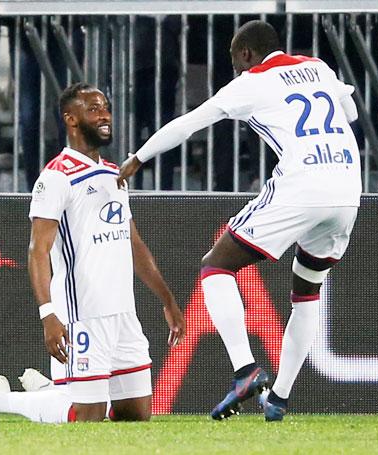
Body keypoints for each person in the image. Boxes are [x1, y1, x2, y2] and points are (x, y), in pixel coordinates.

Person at [118, 20, 361, 422]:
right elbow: (349, 112)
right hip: (348, 189)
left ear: (246, 54)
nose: (236, 70)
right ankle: (279, 399)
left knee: (216, 266)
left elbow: (189, 122)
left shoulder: (252, 82)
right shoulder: (318, 66)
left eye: (235, 62)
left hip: (303, 185)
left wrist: (138, 157)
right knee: (307, 291)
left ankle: (246, 371)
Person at [0, 82, 185, 424]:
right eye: (93, 109)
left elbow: (133, 243)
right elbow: (38, 251)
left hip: (123, 313)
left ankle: (52, 392)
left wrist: (167, 300)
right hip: (82, 314)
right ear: (71, 119)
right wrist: (48, 314)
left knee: (135, 415)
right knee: (85, 416)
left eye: (105, 107)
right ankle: (0, 399)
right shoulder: (56, 178)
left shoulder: (113, 174)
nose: (104, 115)